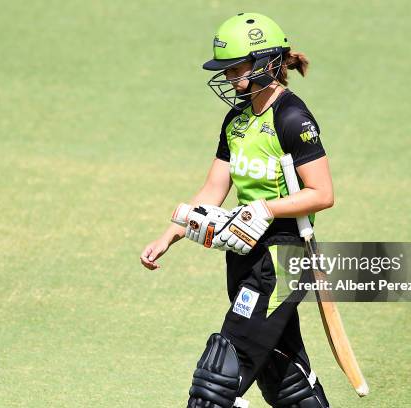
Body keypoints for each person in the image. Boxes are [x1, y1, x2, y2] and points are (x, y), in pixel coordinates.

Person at [140, 12, 334, 408]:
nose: (229, 78)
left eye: (235, 69)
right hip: (244, 255)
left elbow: (322, 193)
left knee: (217, 380)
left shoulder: (293, 118)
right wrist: (170, 235)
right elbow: (214, 187)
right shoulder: (237, 121)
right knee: (285, 378)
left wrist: (264, 208)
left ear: (266, 63)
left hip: (283, 259)